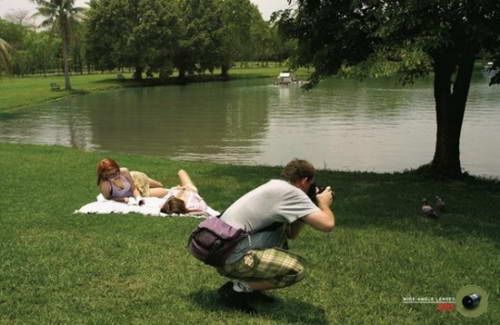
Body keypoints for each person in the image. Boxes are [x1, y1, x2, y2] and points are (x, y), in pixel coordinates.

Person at [215, 159, 336, 312]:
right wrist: (323, 205)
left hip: (221, 252)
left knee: (280, 236)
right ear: (305, 180)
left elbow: (291, 234)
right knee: (296, 270)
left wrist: (306, 209)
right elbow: (327, 225)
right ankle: (236, 290)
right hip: (233, 258)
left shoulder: (275, 186)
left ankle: (252, 290)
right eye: (311, 183)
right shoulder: (293, 193)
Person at [96, 158, 167, 204]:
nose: (115, 175)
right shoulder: (105, 185)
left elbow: (133, 188)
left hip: (137, 178)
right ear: (104, 175)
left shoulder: (124, 171)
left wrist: (138, 198)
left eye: (116, 172)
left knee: (160, 185)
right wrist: (122, 199)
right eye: (111, 175)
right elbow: (109, 198)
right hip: (134, 186)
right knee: (163, 191)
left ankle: (148, 181)